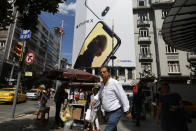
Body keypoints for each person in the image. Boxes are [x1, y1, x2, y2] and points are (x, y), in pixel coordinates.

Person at [91, 66, 131, 131]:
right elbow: (100, 93)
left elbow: (123, 96)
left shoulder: (115, 83)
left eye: (104, 72)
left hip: (116, 112)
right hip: (107, 113)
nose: (102, 73)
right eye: (101, 72)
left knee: (108, 129)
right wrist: (94, 98)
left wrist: (127, 111)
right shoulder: (103, 84)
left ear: (108, 73)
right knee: (113, 129)